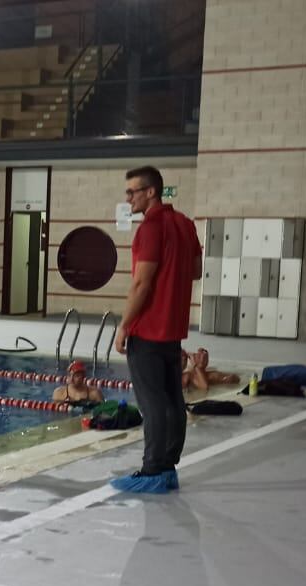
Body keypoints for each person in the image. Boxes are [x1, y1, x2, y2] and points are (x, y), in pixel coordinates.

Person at [112, 165, 202, 493]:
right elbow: (195, 272)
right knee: (172, 400)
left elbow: (142, 283)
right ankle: (168, 468)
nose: (128, 198)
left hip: (148, 328)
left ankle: (152, 471)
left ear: (151, 192)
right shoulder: (186, 224)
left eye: (132, 191)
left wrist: (124, 326)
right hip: (173, 329)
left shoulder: (150, 227)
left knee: (152, 404)